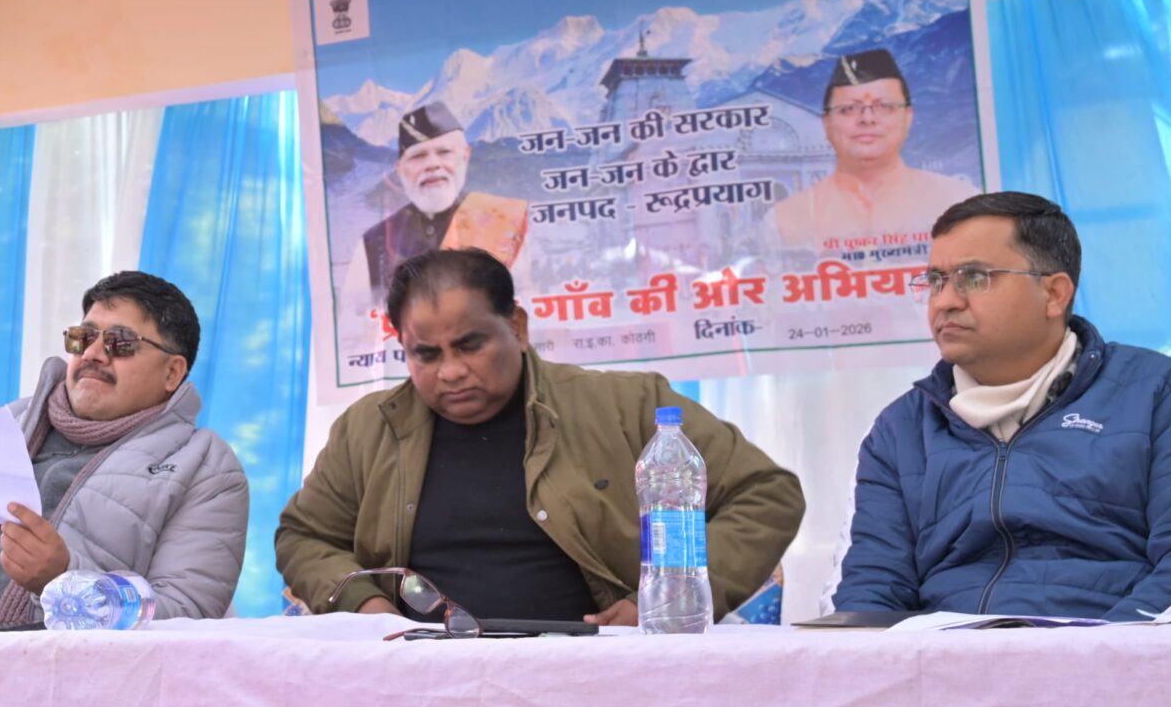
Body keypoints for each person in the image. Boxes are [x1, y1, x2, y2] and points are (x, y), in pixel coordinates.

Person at [279, 248, 803, 622]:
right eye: (427, 354)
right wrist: (366, 605)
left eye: (470, 345)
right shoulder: (369, 428)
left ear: (518, 328)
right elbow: (305, 537)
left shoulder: (629, 406)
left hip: (599, 670)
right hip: (421, 675)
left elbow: (766, 495)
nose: (451, 371)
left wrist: (663, 601)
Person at [831, 192, 1171, 620]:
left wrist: (1092, 654)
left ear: (1054, 294)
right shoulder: (901, 429)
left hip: (1111, 654)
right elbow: (864, 594)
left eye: (974, 278)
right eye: (936, 281)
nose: (945, 301)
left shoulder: (1164, 396)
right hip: (942, 658)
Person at [0, 270, 250, 622]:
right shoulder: (6, 425)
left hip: (65, 670)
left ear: (172, 372)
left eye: (120, 343)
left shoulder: (204, 466)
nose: (92, 354)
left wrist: (66, 582)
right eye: (83, 337)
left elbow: (186, 611)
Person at [767, 48, 974, 251]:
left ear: (908, 117)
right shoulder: (784, 221)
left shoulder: (958, 202)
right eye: (849, 109)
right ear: (826, 122)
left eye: (884, 106)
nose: (867, 119)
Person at [347, 102, 529, 307]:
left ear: (465, 156)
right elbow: (356, 315)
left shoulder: (508, 222)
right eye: (418, 156)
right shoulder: (374, 242)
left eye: (444, 152)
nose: (432, 164)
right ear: (400, 169)